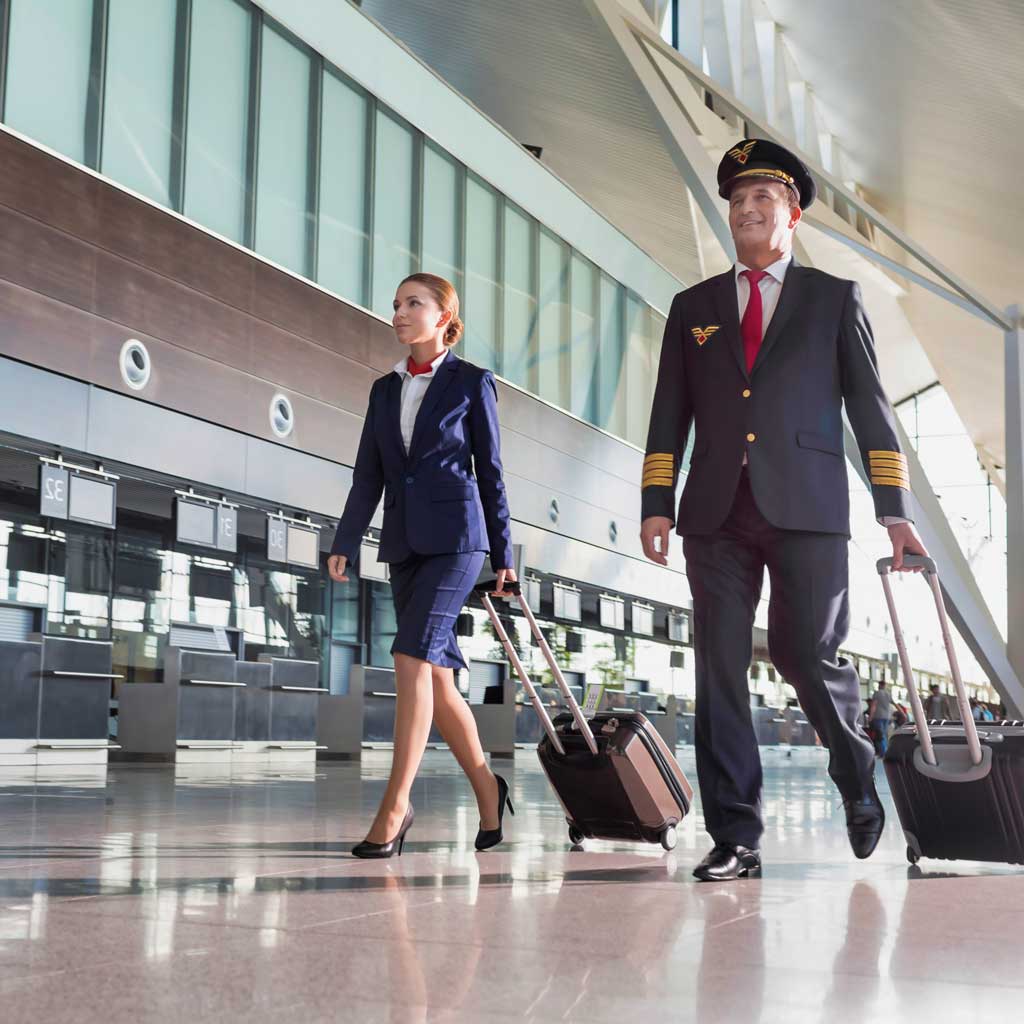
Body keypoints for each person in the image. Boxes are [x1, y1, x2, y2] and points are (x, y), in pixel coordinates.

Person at [639, 138, 929, 882]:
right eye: (737, 201)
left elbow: (869, 408)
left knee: (806, 654)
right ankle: (736, 834)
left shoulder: (834, 298)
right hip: (714, 512)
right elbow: (668, 412)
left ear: (792, 214)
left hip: (807, 507)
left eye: (762, 198)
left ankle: (854, 764)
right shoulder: (694, 307)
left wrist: (893, 510)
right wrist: (656, 503)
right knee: (720, 672)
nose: (747, 209)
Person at [327, 272, 518, 858]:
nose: (401, 312)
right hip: (405, 543)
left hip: (460, 539)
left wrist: (504, 554)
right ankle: (488, 789)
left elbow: (491, 472)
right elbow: (370, 476)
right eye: (396, 304)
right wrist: (346, 538)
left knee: (409, 655)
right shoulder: (384, 390)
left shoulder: (472, 382)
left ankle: (396, 805)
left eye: (414, 303)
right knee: (435, 675)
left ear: (444, 317)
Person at [868, 681, 893, 757]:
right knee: (884, 734)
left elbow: (874, 705)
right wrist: (902, 714)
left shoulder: (876, 693)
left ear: (879, 685)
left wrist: (870, 716)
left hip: (878, 716)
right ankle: (886, 751)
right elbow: (893, 705)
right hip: (887, 717)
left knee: (880, 735)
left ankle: (883, 752)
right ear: (885, 686)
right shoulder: (888, 694)